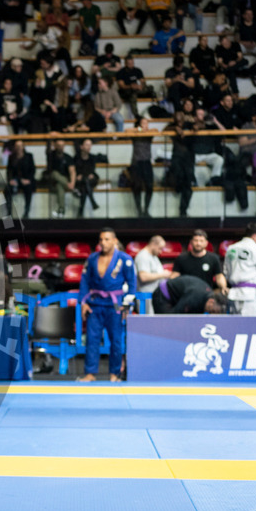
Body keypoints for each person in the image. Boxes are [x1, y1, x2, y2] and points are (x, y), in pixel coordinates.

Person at [78, 228, 137, 382]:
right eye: (101, 239)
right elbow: (84, 281)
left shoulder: (125, 259)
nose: (103, 243)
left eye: (107, 239)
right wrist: (83, 302)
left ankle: (114, 374)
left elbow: (132, 284)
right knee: (92, 339)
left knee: (116, 340)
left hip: (115, 304)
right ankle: (90, 373)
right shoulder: (92, 259)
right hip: (95, 303)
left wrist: (127, 305)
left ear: (115, 241)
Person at [224, 222, 256, 315]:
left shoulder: (231, 248)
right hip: (250, 296)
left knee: (234, 327)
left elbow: (226, 272)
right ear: (255, 236)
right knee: (249, 327)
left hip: (233, 294)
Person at [172, 229, 229, 294]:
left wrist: (223, 287)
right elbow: (174, 276)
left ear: (206, 243)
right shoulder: (181, 258)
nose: (198, 243)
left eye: (201, 241)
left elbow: (219, 276)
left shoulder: (213, 258)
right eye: (196, 240)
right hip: (186, 293)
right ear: (191, 242)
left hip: (206, 293)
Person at [134, 235, 173, 312]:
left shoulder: (154, 256)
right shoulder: (143, 256)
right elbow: (143, 277)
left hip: (153, 296)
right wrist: (162, 274)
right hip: (145, 298)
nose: (161, 252)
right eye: (160, 248)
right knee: (146, 323)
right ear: (153, 244)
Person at [152, 275, 229, 314]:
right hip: (162, 294)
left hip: (179, 296)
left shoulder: (207, 296)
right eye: (213, 311)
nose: (211, 314)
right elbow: (175, 316)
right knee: (166, 322)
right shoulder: (194, 298)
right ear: (211, 302)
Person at [4, 139, 36, 218]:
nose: (19, 148)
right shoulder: (11, 157)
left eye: (20, 146)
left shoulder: (29, 156)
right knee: (7, 189)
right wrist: (10, 180)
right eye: (17, 146)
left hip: (26, 180)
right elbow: (9, 171)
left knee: (28, 189)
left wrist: (28, 180)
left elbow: (32, 169)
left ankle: (26, 212)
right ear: (14, 147)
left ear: (23, 147)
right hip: (16, 180)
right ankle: (9, 212)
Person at [129, 118, 155, 217]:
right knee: (137, 187)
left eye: (147, 123)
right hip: (136, 163)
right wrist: (139, 130)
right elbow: (127, 131)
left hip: (147, 162)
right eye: (143, 123)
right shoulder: (135, 134)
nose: (145, 125)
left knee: (149, 186)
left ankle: (146, 210)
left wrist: (146, 130)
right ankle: (139, 210)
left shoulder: (149, 134)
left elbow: (156, 131)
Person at [44, 138, 76, 218]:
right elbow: (48, 150)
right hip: (51, 180)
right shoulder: (51, 155)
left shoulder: (67, 157)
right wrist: (49, 139)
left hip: (61, 182)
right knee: (54, 173)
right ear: (55, 146)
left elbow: (72, 171)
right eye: (58, 145)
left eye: (62, 145)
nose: (60, 147)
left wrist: (72, 183)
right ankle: (74, 190)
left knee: (59, 186)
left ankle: (61, 210)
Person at [72, 138, 102, 217]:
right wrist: (79, 175)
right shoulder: (76, 158)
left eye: (90, 145)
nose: (89, 147)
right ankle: (92, 202)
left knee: (85, 183)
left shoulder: (92, 157)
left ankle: (81, 211)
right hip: (81, 181)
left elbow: (91, 170)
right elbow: (76, 170)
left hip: (90, 179)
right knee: (84, 187)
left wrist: (86, 175)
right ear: (81, 146)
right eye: (87, 145)